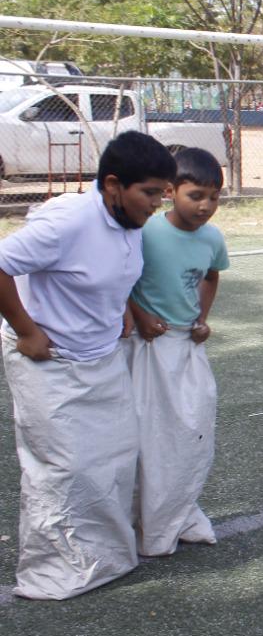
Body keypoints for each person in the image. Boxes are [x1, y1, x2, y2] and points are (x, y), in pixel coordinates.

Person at [0, 132, 175, 599]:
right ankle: (54, 572)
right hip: (50, 362)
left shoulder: (129, 223)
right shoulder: (69, 222)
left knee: (114, 458)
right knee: (65, 469)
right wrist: (25, 330)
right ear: (114, 185)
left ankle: (106, 559)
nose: (159, 203)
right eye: (151, 192)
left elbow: (112, 270)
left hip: (102, 357)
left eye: (164, 192)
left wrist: (120, 312)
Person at [126, 147, 229, 557]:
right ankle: (145, 518)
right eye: (195, 196)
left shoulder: (212, 238)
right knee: (150, 433)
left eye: (214, 197)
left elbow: (211, 275)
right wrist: (140, 314)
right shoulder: (148, 232)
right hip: (148, 346)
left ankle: (176, 510)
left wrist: (202, 318)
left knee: (191, 430)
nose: (205, 206)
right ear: (171, 192)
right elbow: (124, 279)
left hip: (187, 343)